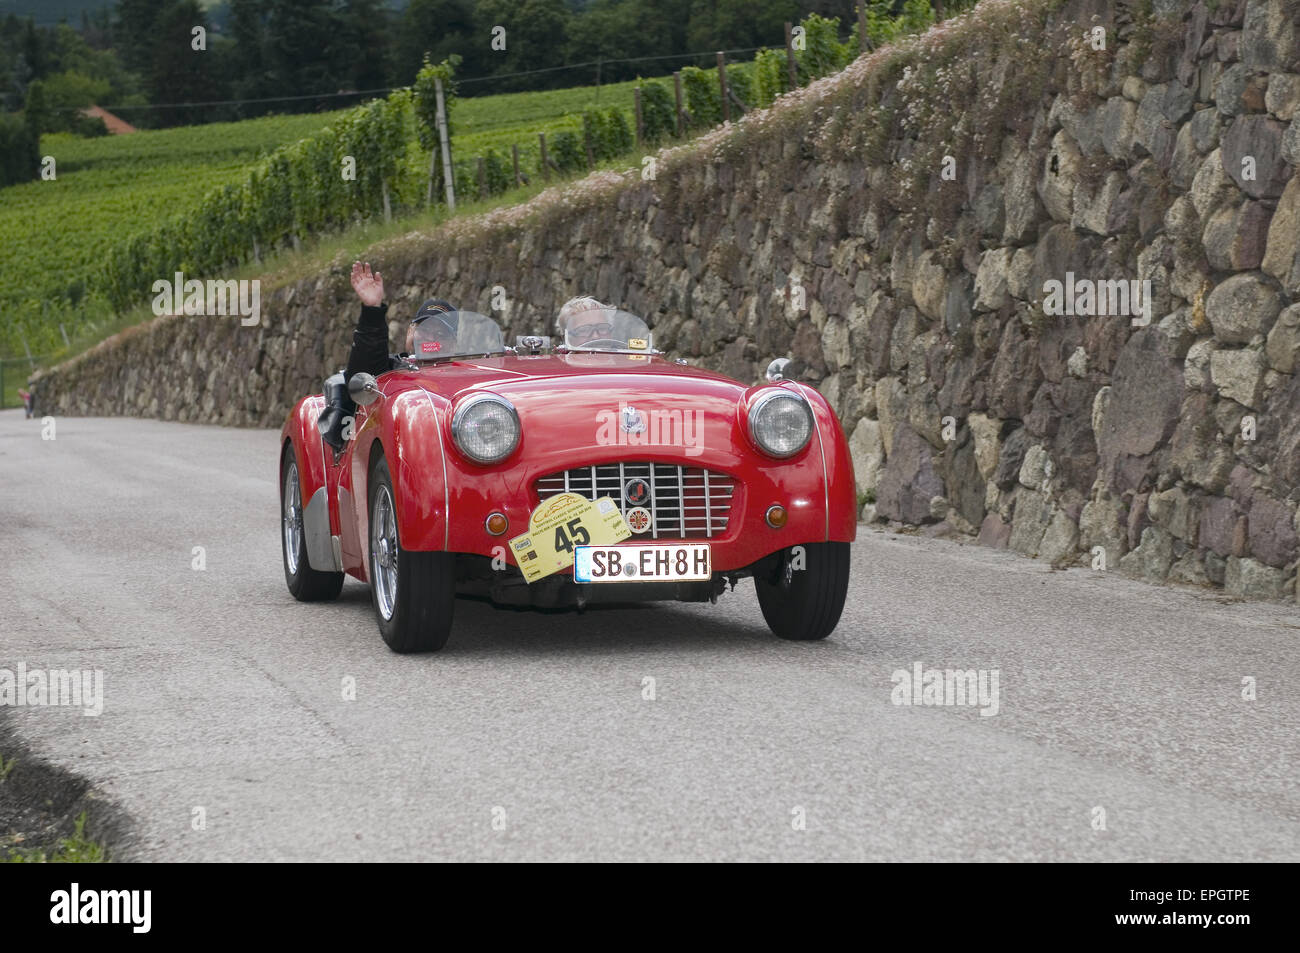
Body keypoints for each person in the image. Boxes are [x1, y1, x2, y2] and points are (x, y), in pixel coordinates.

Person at [344, 261, 459, 382]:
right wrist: (372, 311)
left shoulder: (464, 377)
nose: (430, 338)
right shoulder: (391, 369)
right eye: (424, 329)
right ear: (411, 331)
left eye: (440, 334)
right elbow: (361, 377)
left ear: (453, 343)